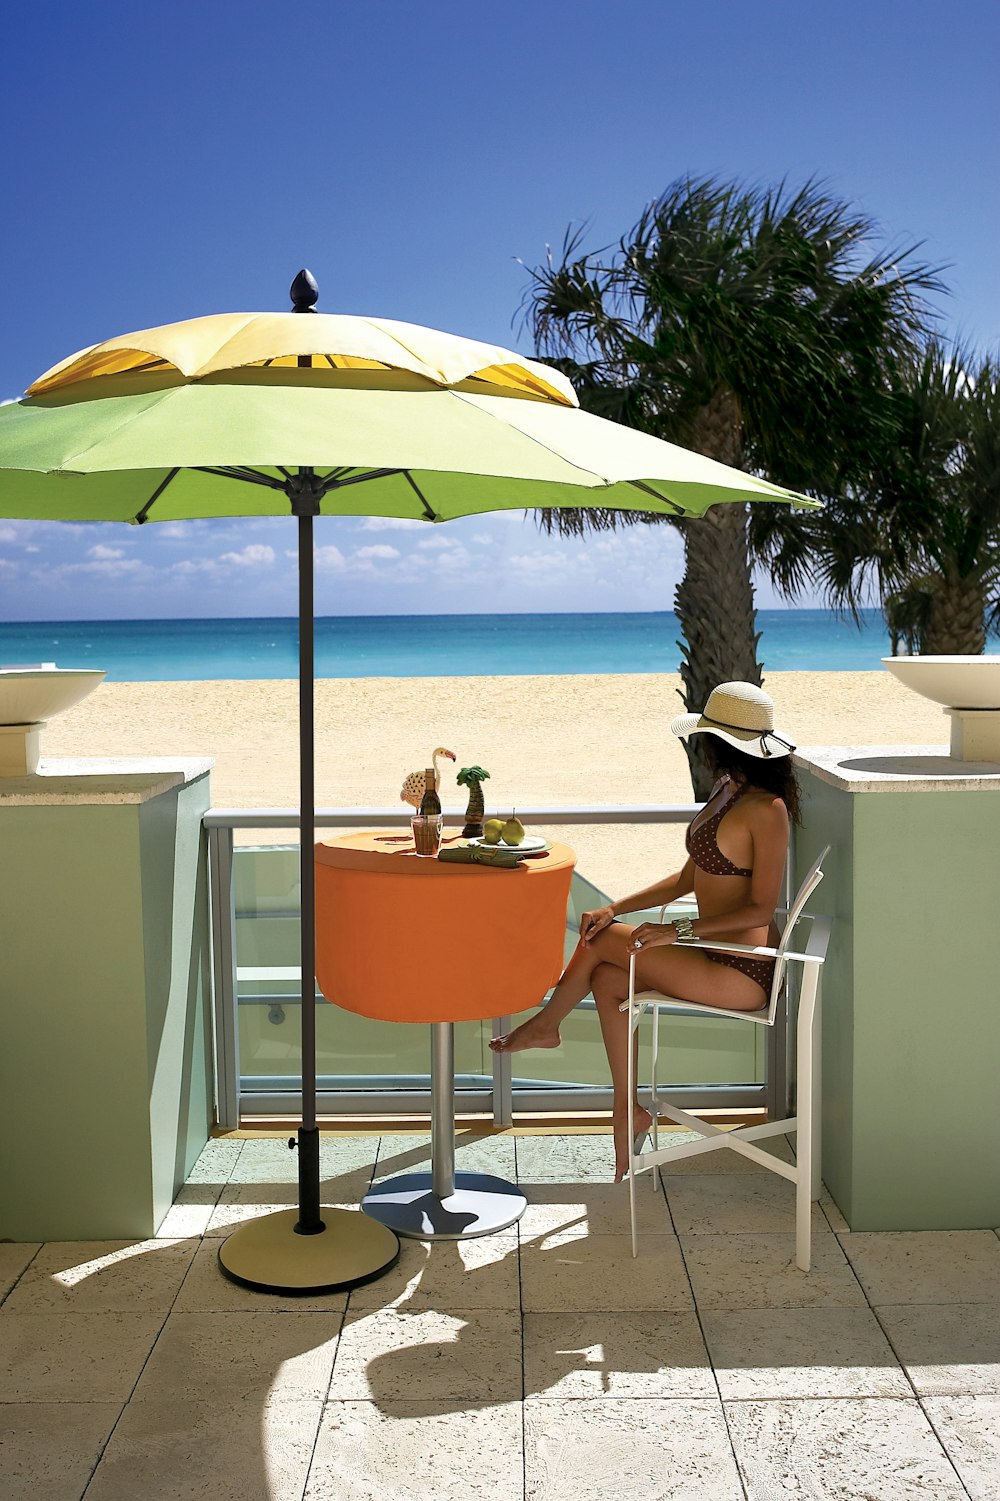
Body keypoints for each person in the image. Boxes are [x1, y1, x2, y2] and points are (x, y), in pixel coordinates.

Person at [490, 681, 800, 1182]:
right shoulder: (727, 791)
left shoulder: (768, 811)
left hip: (740, 972)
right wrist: (615, 906)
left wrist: (677, 929)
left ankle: (547, 1023)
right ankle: (625, 1109)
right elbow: (685, 879)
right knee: (610, 978)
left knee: (606, 942)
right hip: (706, 955)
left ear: (720, 742)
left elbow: (760, 909)